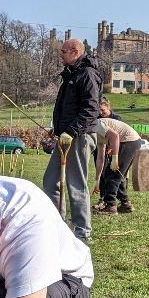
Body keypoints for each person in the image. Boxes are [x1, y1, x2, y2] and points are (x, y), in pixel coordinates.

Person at [41, 39, 102, 242]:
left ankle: (82, 231)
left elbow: (91, 109)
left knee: (76, 183)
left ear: (75, 52)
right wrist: (57, 129)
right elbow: (69, 108)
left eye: (63, 52)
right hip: (66, 136)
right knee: (51, 181)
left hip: (80, 136)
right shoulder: (71, 75)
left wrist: (72, 131)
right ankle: (59, 224)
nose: (61, 55)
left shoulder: (87, 74)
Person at [92, 99, 140, 215]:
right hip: (132, 141)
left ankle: (111, 206)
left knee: (112, 174)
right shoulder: (95, 134)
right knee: (115, 174)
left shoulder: (96, 125)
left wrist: (115, 158)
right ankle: (126, 204)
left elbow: (115, 136)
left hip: (129, 141)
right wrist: (97, 179)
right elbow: (100, 157)